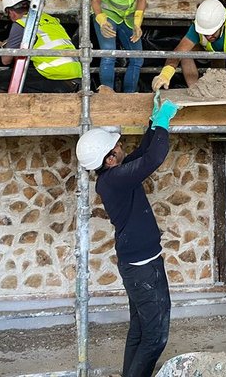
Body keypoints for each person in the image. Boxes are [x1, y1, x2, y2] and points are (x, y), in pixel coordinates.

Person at [75, 95, 179, 377]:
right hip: (143, 268)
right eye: (117, 146)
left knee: (139, 331)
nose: (122, 147)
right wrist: (165, 122)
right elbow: (155, 158)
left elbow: (144, 152)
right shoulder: (116, 179)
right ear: (109, 159)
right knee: (155, 337)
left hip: (139, 264)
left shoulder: (115, 175)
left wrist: (154, 123)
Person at [0, 0, 81, 93]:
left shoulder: (21, 23)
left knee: (0, 79)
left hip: (56, 77)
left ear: (11, 12)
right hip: (76, 75)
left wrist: (6, 47)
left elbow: (5, 60)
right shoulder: (51, 19)